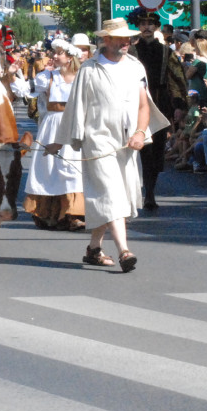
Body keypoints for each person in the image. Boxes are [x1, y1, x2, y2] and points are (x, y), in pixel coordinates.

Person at [48, 17, 158, 274]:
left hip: (127, 143)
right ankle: (124, 251)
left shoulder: (135, 67)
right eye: (120, 38)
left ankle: (94, 249)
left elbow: (144, 105)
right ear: (106, 40)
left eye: (128, 38)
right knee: (110, 194)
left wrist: (141, 133)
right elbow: (75, 108)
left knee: (116, 197)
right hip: (97, 141)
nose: (126, 42)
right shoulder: (90, 69)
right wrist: (58, 141)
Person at [15, 38, 85, 231]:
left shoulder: (82, 76)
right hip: (52, 125)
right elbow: (26, 91)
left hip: (74, 124)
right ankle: (51, 213)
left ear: (70, 57)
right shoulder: (47, 77)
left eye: (59, 53)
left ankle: (74, 213)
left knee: (73, 167)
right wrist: (13, 75)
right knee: (51, 169)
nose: (54, 56)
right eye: (54, 52)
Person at [129, 9, 186, 209]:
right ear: (138, 26)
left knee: (156, 149)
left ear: (156, 27)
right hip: (134, 103)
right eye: (143, 23)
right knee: (140, 147)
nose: (146, 27)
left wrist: (178, 104)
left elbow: (176, 78)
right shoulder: (130, 52)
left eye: (150, 23)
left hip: (159, 103)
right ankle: (141, 191)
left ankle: (150, 191)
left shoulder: (166, 51)